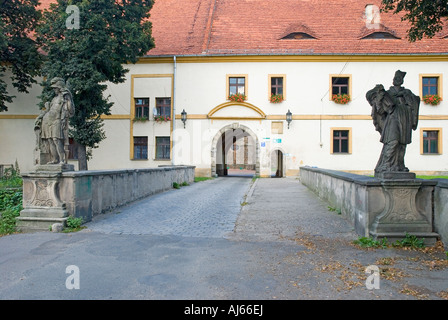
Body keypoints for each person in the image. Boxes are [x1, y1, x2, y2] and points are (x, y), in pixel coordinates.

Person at [366, 70, 420, 174]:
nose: (397, 80)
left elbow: (415, 102)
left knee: (402, 143)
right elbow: (377, 104)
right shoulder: (388, 93)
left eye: (399, 78)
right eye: (396, 78)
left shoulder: (407, 92)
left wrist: (408, 98)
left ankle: (399, 165)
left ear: (402, 81)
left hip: (405, 117)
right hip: (392, 118)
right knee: (393, 141)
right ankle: (386, 164)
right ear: (393, 80)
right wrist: (379, 96)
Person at [35, 77, 75, 165]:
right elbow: (49, 110)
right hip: (47, 121)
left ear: (60, 87)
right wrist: (41, 116)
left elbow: (70, 110)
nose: (54, 90)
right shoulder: (54, 99)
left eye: (55, 88)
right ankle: (55, 159)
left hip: (57, 121)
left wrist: (68, 99)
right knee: (49, 141)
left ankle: (62, 160)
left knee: (56, 140)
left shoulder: (65, 97)